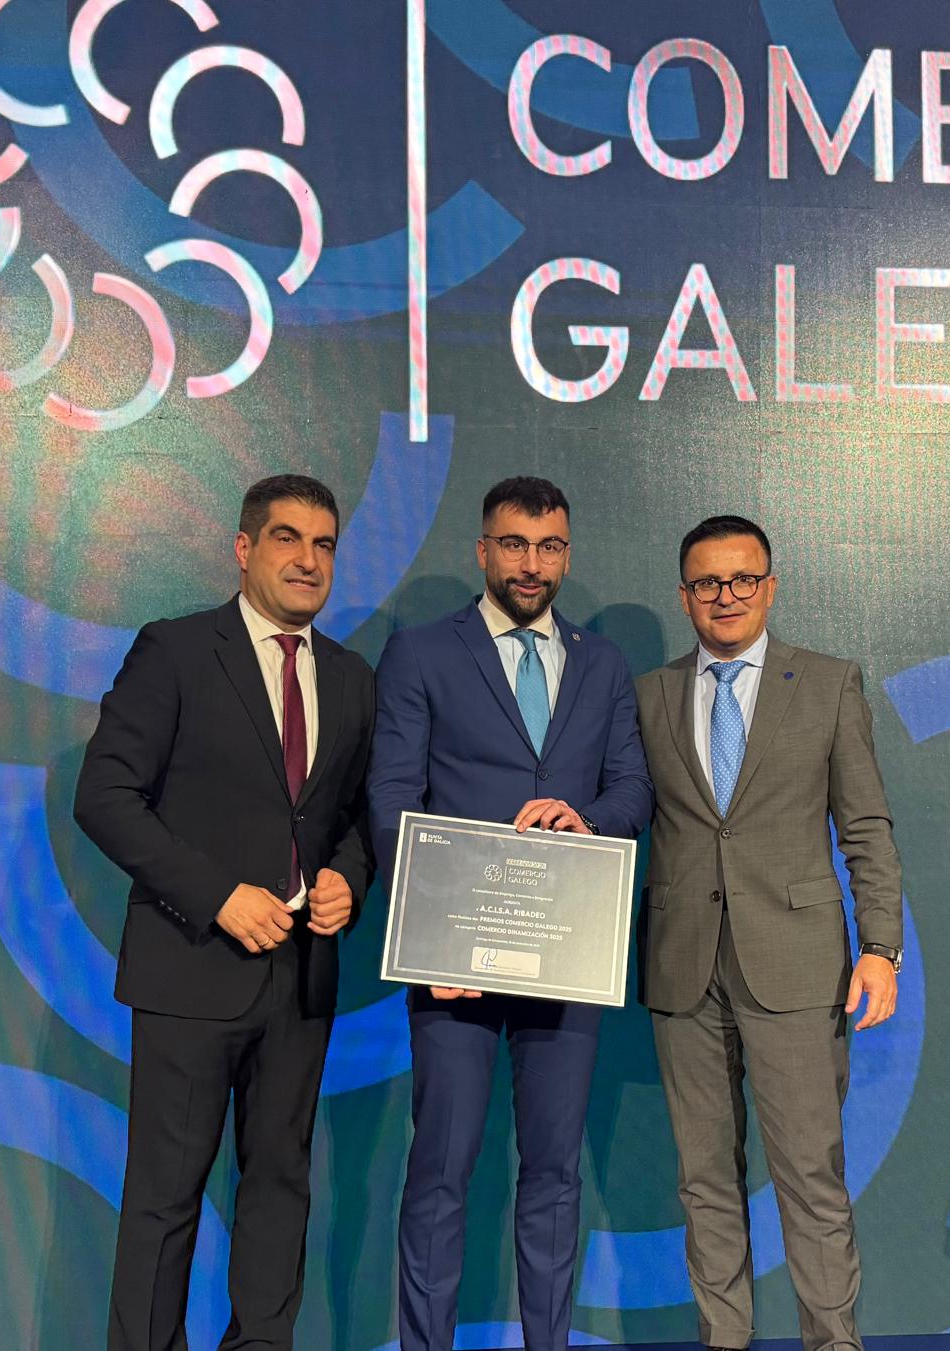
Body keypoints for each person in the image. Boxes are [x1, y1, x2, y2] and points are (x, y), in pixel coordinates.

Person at [74, 474, 375, 1351]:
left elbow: (359, 816)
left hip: (301, 981)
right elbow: (105, 796)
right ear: (244, 549)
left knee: (280, 1188)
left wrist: (347, 878)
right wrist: (217, 897)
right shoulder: (174, 651)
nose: (308, 559)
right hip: (190, 969)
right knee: (164, 1198)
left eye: (324, 544)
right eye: (288, 538)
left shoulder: (352, 678)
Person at [369, 476, 654, 1351]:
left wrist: (586, 821)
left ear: (566, 554)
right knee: (440, 1171)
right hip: (454, 963)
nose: (533, 563)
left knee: (556, 1174)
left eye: (550, 546)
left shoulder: (603, 664)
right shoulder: (421, 652)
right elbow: (391, 798)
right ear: (483, 550)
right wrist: (428, 942)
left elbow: (632, 788)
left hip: (564, 952)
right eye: (515, 544)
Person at [635, 514, 903, 1351]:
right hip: (682, 968)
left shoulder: (827, 683)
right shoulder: (648, 694)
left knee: (810, 1176)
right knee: (703, 1178)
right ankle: (725, 1337)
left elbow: (866, 825)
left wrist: (881, 948)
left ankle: (833, 1342)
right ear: (685, 596)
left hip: (798, 965)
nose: (726, 595)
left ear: (770, 587)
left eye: (742, 579)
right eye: (707, 582)